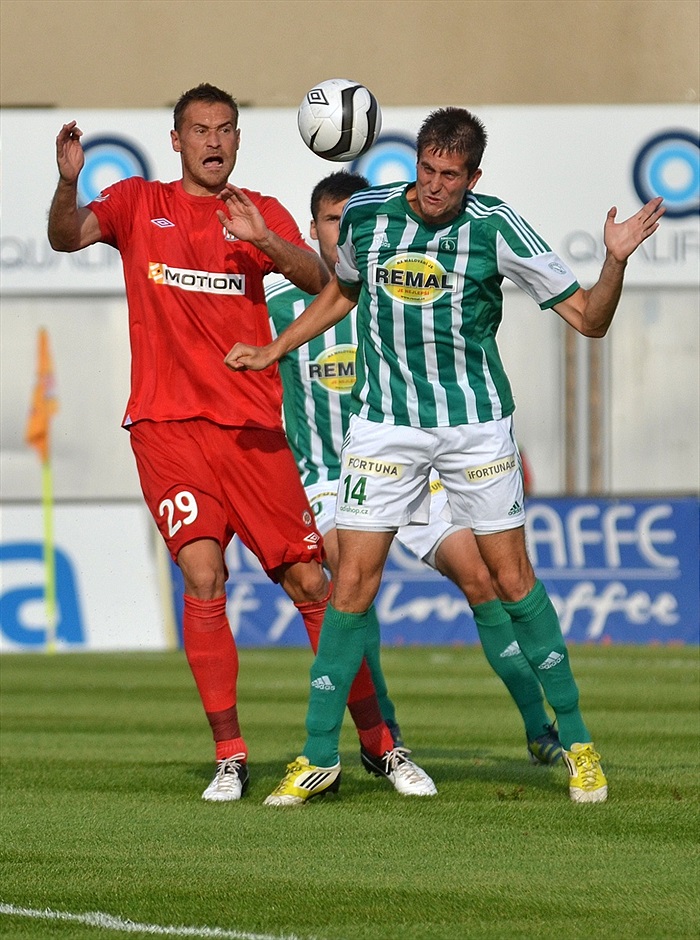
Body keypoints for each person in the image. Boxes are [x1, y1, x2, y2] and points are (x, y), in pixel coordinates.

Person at [228, 108, 664, 807]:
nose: (435, 187)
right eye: (428, 171)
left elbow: (590, 319)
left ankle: (577, 743)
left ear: (473, 177)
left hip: (474, 427)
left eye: (450, 177)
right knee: (352, 588)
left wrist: (614, 258)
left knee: (512, 579)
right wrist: (277, 349)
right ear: (418, 162)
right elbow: (341, 290)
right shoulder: (368, 215)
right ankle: (316, 756)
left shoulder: (495, 225)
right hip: (386, 427)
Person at [46, 82, 431, 804]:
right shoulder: (136, 203)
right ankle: (231, 754)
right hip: (167, 428)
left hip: (253, 430)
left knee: (312, 585)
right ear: (177, 140)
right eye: (201, 130)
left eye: (225, 129)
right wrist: (68, 184)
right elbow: (66, 237)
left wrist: (265, 242)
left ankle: (383, 744)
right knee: (202, 579)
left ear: (237, 140)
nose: (215, 141)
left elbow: (326, 282)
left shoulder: (258, 213)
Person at [266, 169, 565, 784]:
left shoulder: (398, 286)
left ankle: (540, 728)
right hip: (327, 473)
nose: (344, 226)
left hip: (415, 459)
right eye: (330, 219)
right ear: (316, 228)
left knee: (482, 575)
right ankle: (386, 738)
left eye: (352, 215)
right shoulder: (281, 310)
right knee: (349, 574)